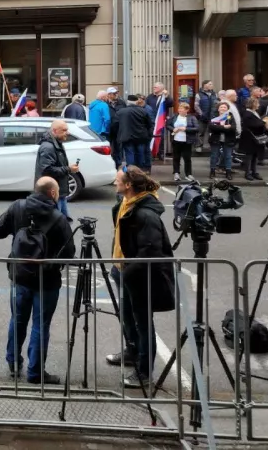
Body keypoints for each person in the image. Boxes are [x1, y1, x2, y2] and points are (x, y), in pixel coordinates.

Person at [0, 176, 75, 384]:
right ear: (53, 193)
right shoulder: (58, 218)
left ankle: (13, 362)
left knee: (17, 319)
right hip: (47, 280)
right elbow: (69, 252)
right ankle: (35, 372)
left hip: (19, 275)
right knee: (40, 325)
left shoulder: (18, 207)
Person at [106, 167, 175, 390]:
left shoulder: (145, 214)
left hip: (138, 276)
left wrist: (128, 272)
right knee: (126, 316)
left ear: (128, 185)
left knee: (143, 323)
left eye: (118, 178)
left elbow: (150, 251)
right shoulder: (124, 204)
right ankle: (132, 352)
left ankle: (145, 372)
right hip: (123, 270)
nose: (114, 180)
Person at [34, 119, 78, 220]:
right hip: (51, 196)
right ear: (54, 131)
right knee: (56, 225)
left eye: (67, 130)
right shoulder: (48, 147)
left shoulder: (56, 143)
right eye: (64, 130)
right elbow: (47, 171)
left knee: (63, 223)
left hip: (59, 193)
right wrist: (68, 169)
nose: (67, 133)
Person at [116, 95, 152, 172]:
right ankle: (139, 170)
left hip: (127, 136)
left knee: (129, 154)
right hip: (141, 137)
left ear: (127, 102)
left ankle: (131, 171)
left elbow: (115, 124)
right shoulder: (143, 111)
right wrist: (149, 135)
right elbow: (149, 124)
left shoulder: (121, 112)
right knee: (140, 153)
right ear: (136, 102)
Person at [166, 102, 197, 182]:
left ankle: (188, 174)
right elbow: (167, 125)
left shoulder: (192, 118)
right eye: (179, 108)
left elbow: (197, 128)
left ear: (187, 110)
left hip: (187, 141)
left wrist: (185, 129)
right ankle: (176, 173)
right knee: (176, 158)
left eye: (182, 108)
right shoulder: (174, 116)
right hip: (176, 140)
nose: (179, 110)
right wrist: (173, 129)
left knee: (187, 158)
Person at [240, 96, 267, 181]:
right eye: (257, 103)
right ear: (253, 104)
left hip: (255, 139)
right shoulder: (247, 114)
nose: (258, 104)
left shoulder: (254, 112)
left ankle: (254, 172)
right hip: (249, 139)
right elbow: (254, 125)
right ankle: (247, 173)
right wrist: (264, 122)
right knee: (249, 156)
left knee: (255, 156)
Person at [207, 101, 236, 179]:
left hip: (228, 140)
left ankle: (228, 173)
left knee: (228, 156)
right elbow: (211, 127)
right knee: (214, 156)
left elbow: (233, 127)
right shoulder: (214, 116)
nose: (223, 108)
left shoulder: (230, 116)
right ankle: (212, 171)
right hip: (215, 139)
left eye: (224, 107)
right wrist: (224, 127)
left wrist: (219, 128)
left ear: (227, 109)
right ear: (218, 109)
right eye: (221, 107)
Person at [193, 80, 217, 153]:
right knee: (200, 131)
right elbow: (196, 106)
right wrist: (201, 114)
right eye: (210, 84)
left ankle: (206, 145)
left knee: (208, 131)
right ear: (205, 85)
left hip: (212, 116)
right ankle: (198, 146)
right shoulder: (199, 94)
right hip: (202, 116)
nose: (212, 85)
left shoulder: (214, 94)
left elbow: (216, 104)